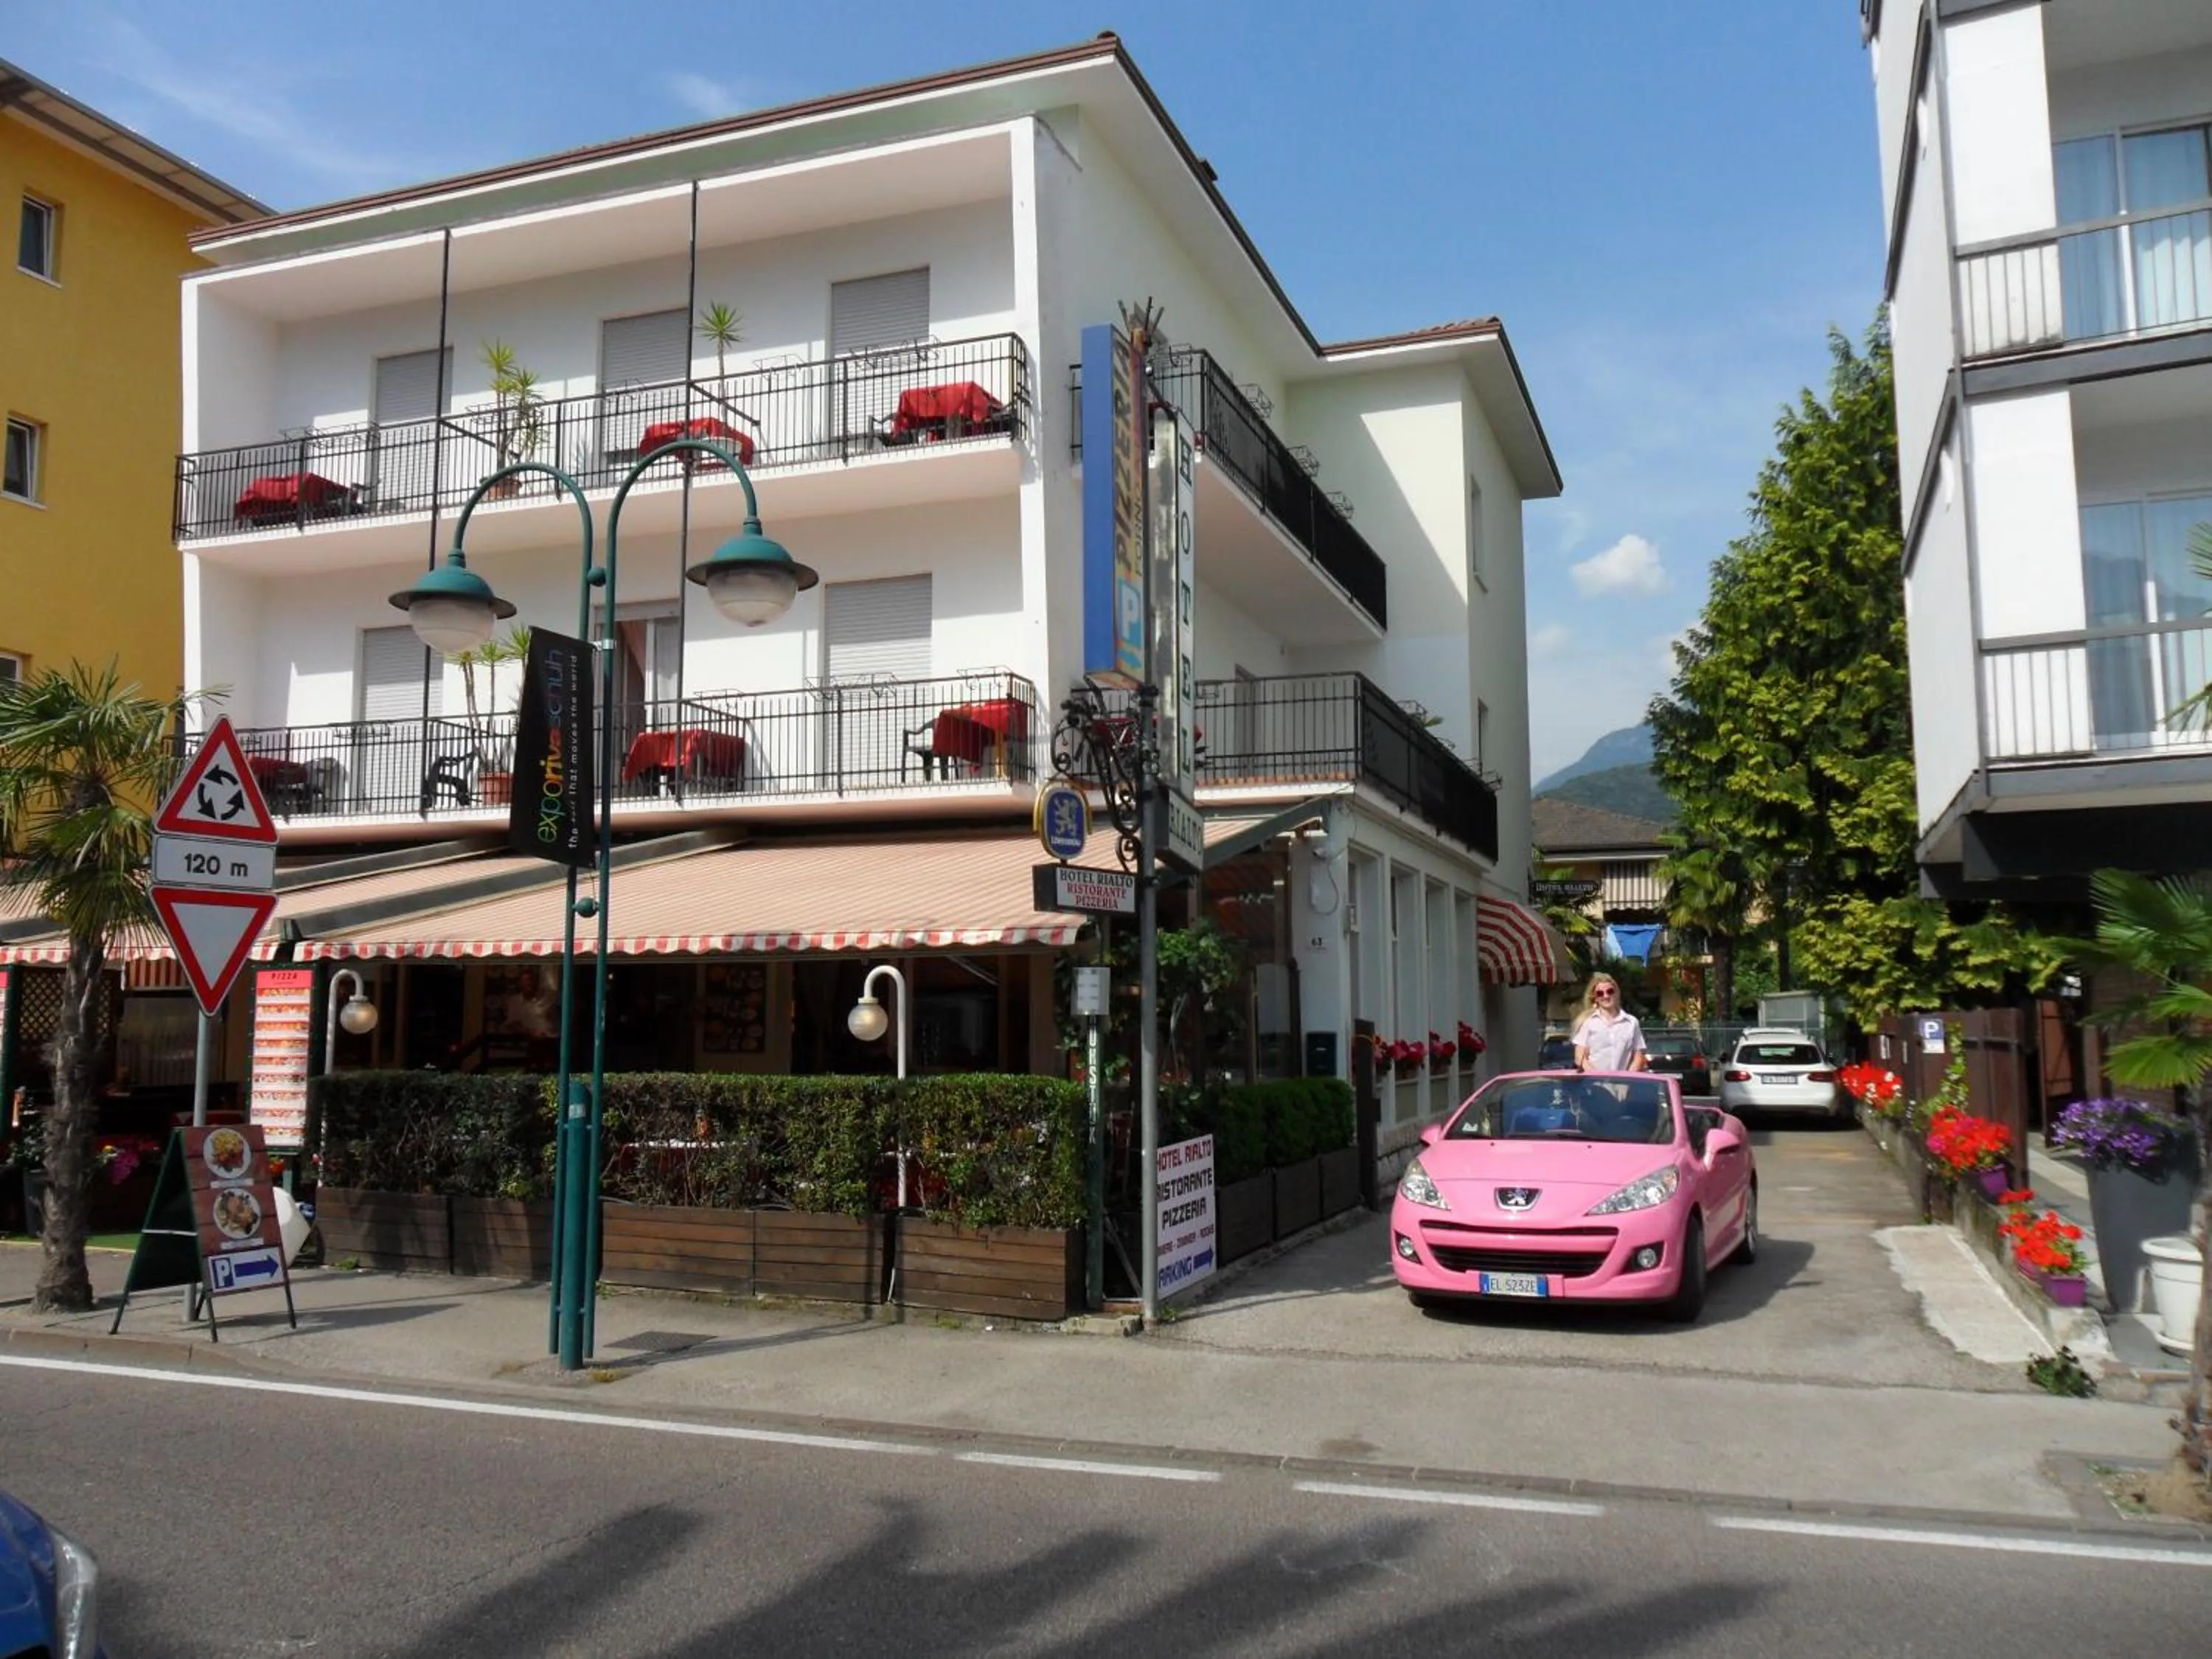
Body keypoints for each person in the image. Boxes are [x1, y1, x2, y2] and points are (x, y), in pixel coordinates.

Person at [1572, 974, 1649, 1074]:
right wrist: (1598, 1077)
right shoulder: (1588, 1022)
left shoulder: (1631, 1022)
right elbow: (1580, 1058)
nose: (1606, 996)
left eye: (1610, 991)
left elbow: (1638, 1056)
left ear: (1616, 993)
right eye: (1600, 993)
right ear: (1595, 998)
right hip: (1594, 1084)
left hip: (1623, 1084)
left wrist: (1627, 1077)